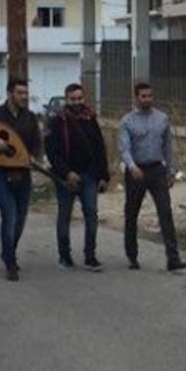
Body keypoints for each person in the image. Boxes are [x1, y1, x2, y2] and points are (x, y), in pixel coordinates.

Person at [0, 76, 42, 281]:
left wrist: (32, 156)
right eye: (20, 93)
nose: (24, 96)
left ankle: (8, 250)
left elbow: (37, 143)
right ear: (10, 93)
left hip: (23, 173)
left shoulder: (29, 117)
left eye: (25, 93)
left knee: (20, 220)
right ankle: (10, 262)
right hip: (1, 173)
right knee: (10, 216)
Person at [118, 81, 186, 272]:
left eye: (150, 96)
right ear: (136, 97)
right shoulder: (127, 121)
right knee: (131, 214)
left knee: (165, 212)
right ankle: (132, 256)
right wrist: (132, 166)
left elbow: (167, 147)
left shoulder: (162, 119)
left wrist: (171, 171)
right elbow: (124, 148)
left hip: (157, 170)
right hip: (137, 171)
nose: (147, 99)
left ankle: (173, 258)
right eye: (143, 96)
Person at [44, 82, 109, 270]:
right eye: (73, 99)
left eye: (80, 98)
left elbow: (99, 149)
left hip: (89, 175)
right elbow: (52, 152)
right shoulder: (57, 121)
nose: (77, 102)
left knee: (91, 214)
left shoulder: (90, 119)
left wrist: (103, 175)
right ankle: (64, 256)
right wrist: (66, 173)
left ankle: (90, 256)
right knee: (64, 216)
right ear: (66, 100)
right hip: (65, 178)